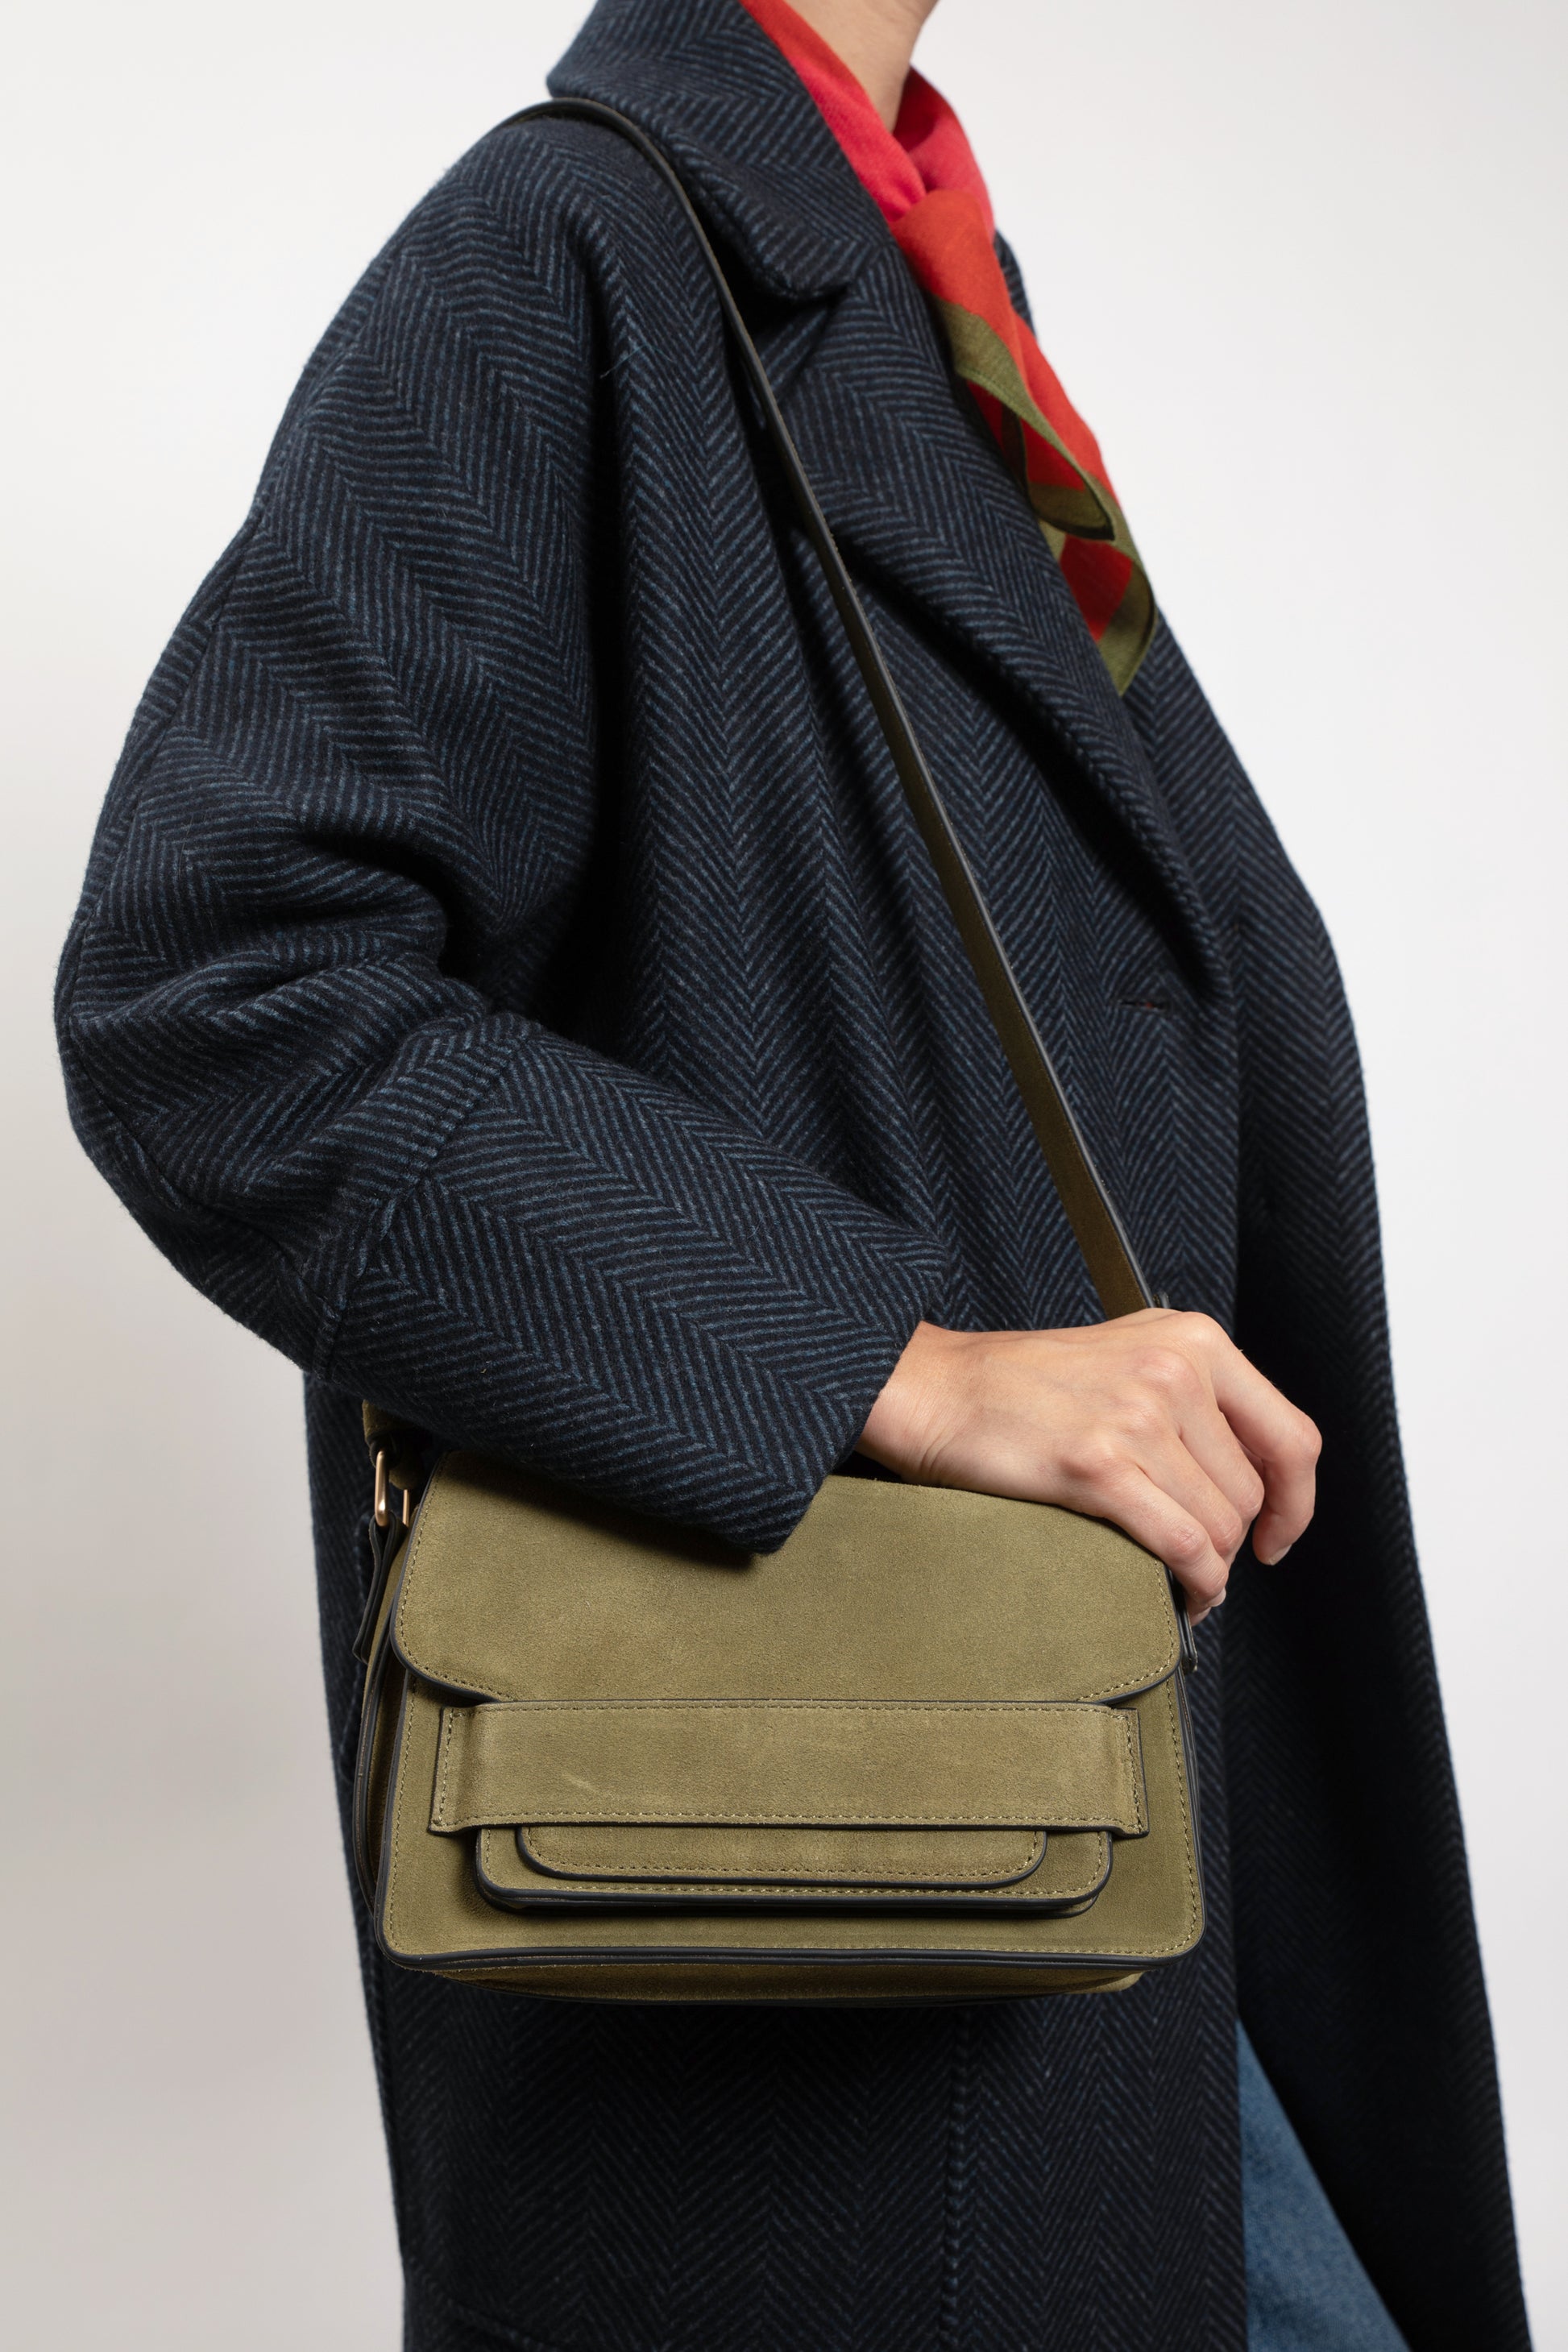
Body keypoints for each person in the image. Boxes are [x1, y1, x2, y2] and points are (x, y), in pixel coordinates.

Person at [55, 0, 1529, 2345]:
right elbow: (219, 992)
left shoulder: (915, 272)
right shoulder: (572, 250)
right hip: (850, 1904)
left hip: (1099, 1839)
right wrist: (898, 1364)